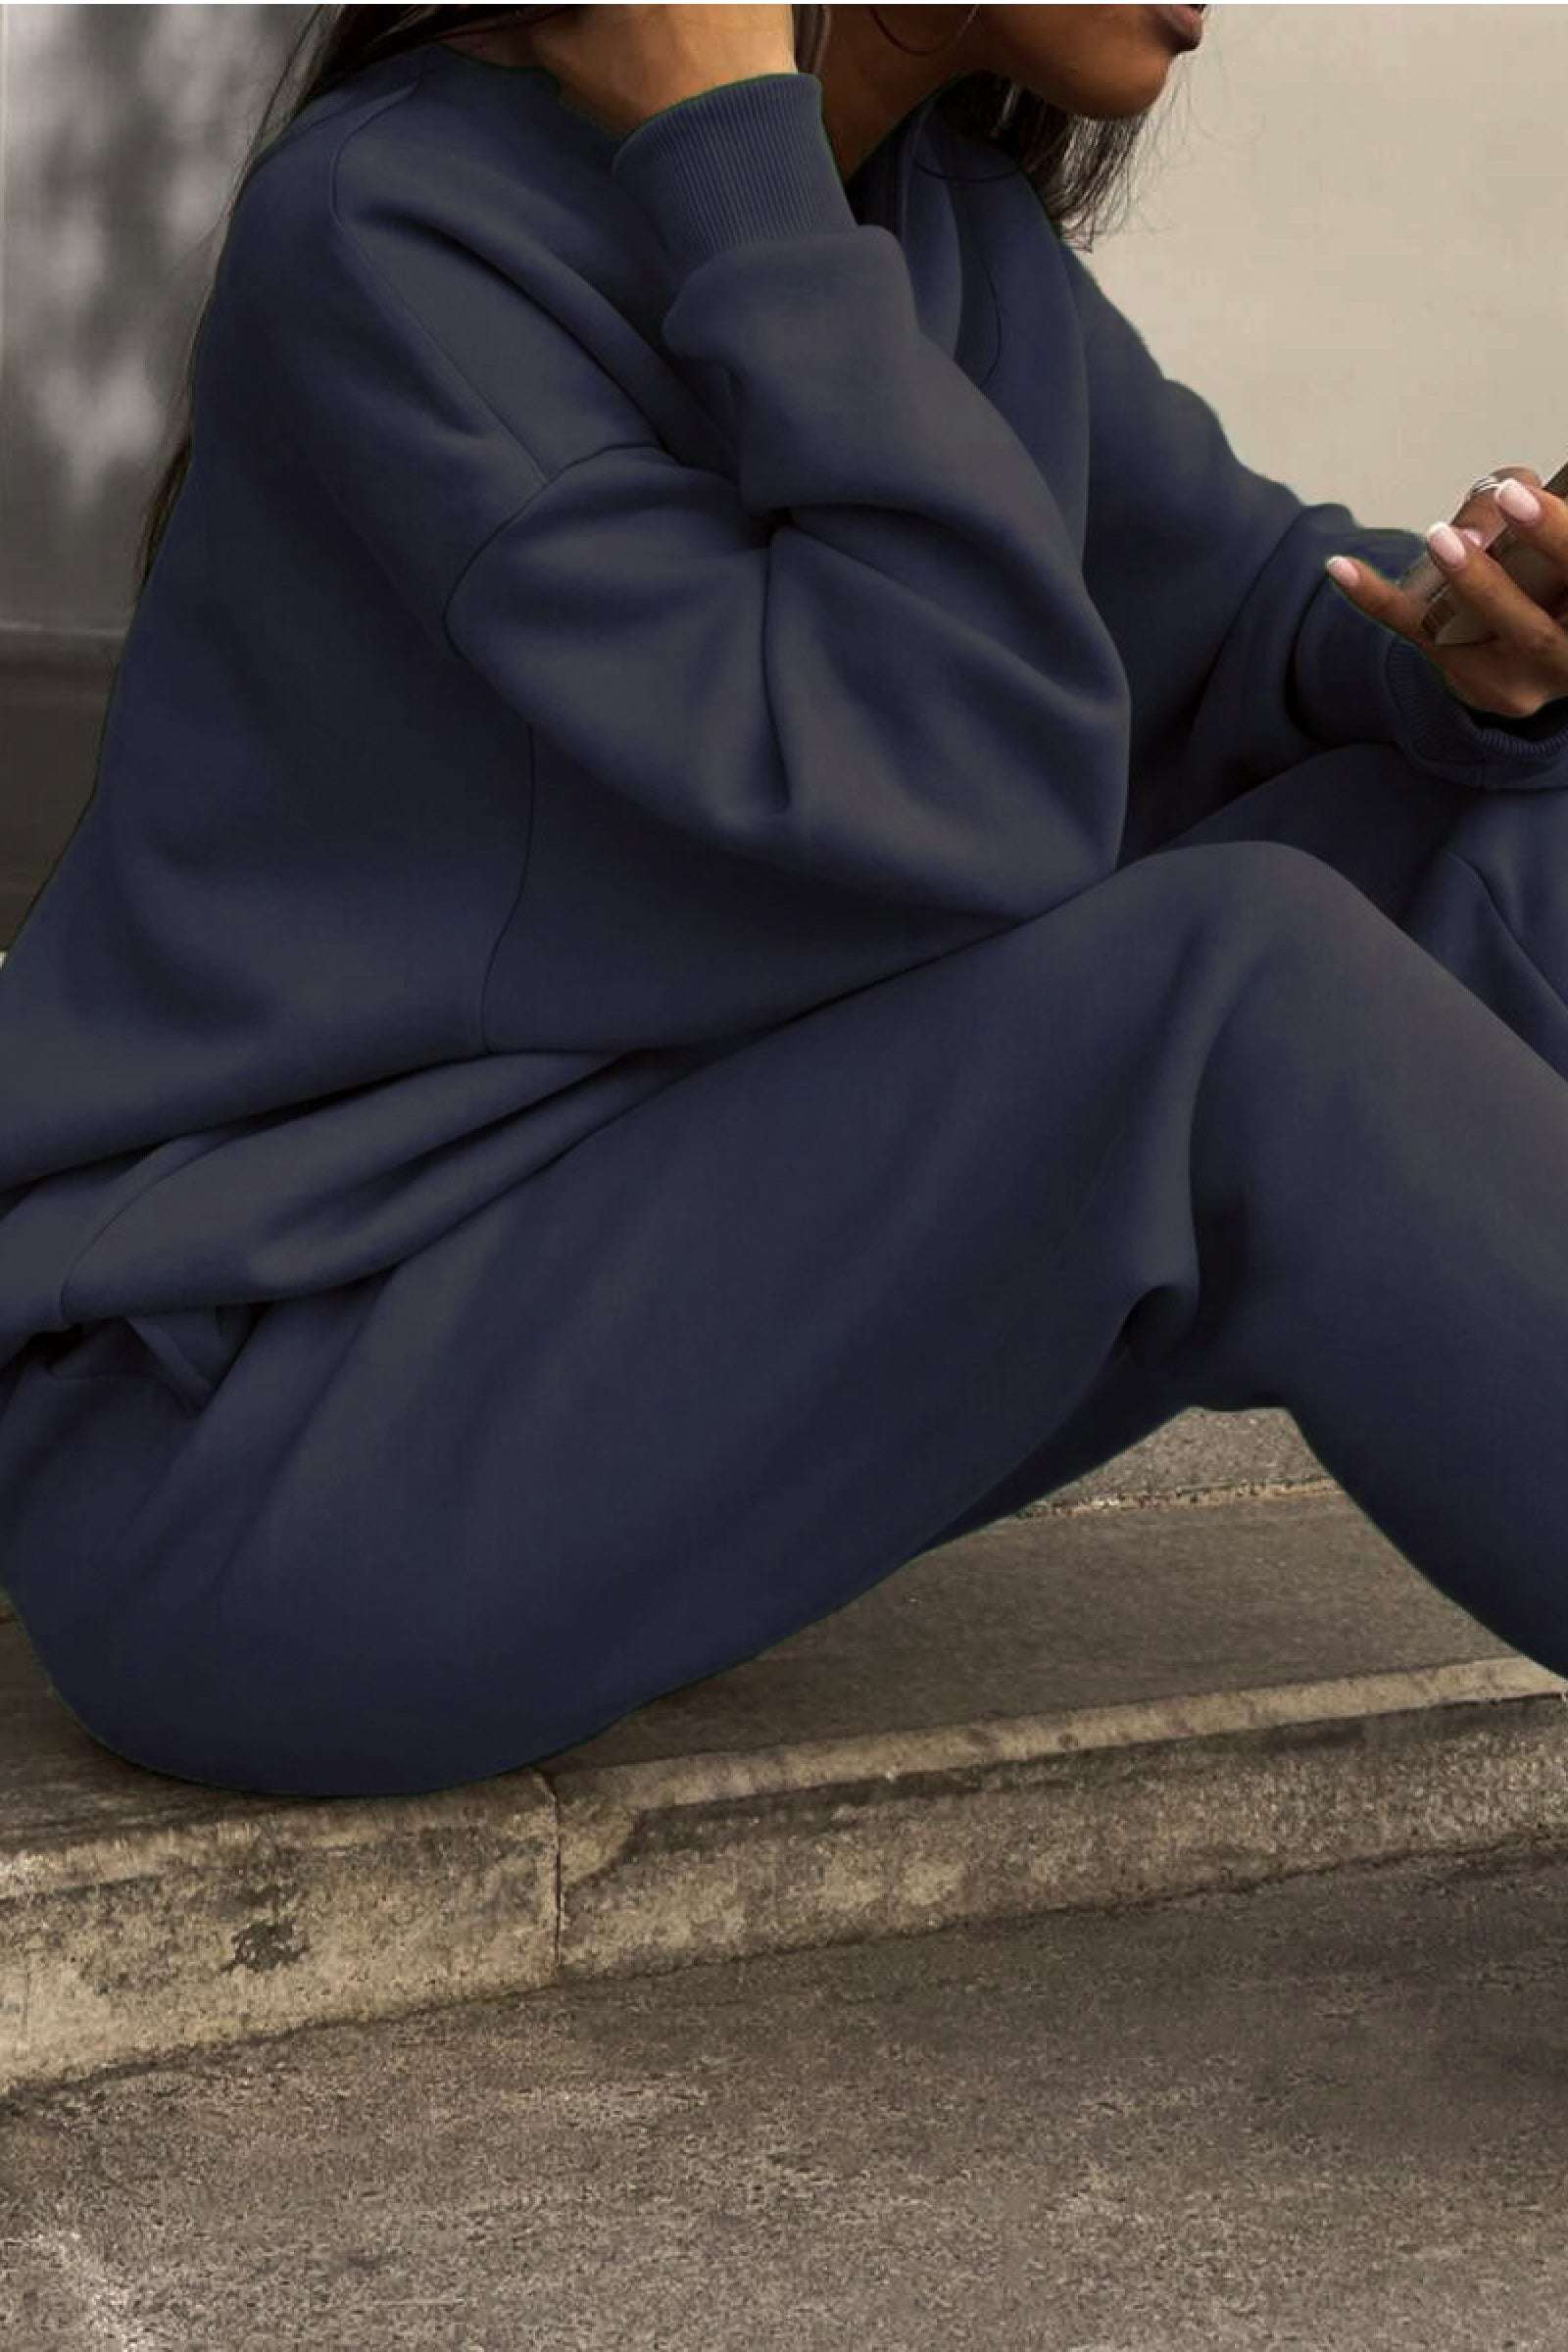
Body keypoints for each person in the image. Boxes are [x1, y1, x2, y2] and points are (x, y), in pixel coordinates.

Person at [4, 4, 1568, 1801]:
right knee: (1245, 1000)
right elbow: (957, 787)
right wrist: (739, 166)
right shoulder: (400, 232)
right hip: (264, 1456)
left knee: (1513, 831)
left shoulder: (928, 230)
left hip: (604, 1302)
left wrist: (1470, 646)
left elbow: (1233, 621)